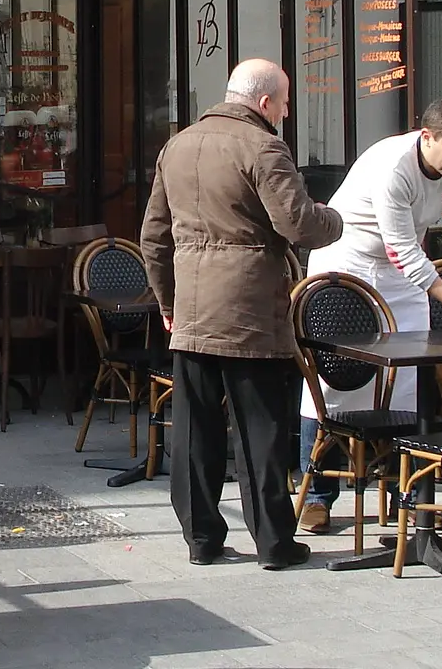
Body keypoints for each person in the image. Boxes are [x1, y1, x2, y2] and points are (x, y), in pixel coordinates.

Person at [296, 97, 442, 534]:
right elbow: (402, 249)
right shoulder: (394, 166)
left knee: (405, 384)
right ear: (427, 137)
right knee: (334, 382)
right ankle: (317, 496)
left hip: (404, 272)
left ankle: (403, 493)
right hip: (347, 262)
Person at [141, 59, 343, 570]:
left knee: (194, 430)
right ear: (266, 102)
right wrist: (336, 219)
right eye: (287, 100)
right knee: (261, 430)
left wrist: (167, 304)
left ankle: (202, 539)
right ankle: (274, 542)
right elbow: (298, 224)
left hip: (190, 312)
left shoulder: (178, 145)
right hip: (251, 311)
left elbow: (153, 238)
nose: (289, 110)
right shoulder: (264, 147)